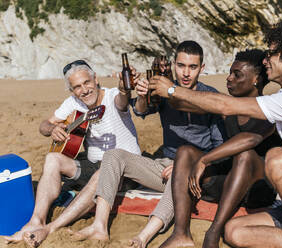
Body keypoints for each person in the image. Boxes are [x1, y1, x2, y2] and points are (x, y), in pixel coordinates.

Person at [150, 21, 282, 248]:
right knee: (234, 231)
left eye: (271, 53)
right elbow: (211, 106)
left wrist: (173, 89)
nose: (265, 60)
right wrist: (163, 95)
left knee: (277, 158)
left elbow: (224, 106)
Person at [71, 41, 227, 246]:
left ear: (202, 68)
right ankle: (100, 226)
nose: (186, 73)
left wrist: (185, 165)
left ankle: (143, 237)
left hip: (195, 169)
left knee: (178, 178)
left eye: (193, 67)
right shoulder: (166, 90)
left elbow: (219, 148)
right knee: (114, 155)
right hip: (163, 165)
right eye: (181, 66)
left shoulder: (210, 97)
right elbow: (140, 110)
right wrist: (144, 95)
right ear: (173, 65)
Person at [2, 60, 141, 247]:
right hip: (93, 165)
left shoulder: (113, 96)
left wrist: (124, 90)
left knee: (103, 172)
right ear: (71, 91)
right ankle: (36, 221)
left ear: (96, 79)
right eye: (77, 87)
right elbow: (43, 125)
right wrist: (52, 129)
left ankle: (50, 228)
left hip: (124, 168)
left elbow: (122, 101)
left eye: (87, 83)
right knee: (53, 158)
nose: (84, 90)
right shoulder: (73, 103)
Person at [159, 49, 282, 248]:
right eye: (230, 72)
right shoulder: (229, 107)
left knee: (245, 155)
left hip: (258, 190)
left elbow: (249, 139)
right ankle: (181, 234)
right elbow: (182, 104)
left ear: (256, 79)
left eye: (237, 75)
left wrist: (205, 159)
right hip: (226, 185)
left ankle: (213, 233)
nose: (229, 78)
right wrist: (165, 84)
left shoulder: (270, 110)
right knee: (185, 151)